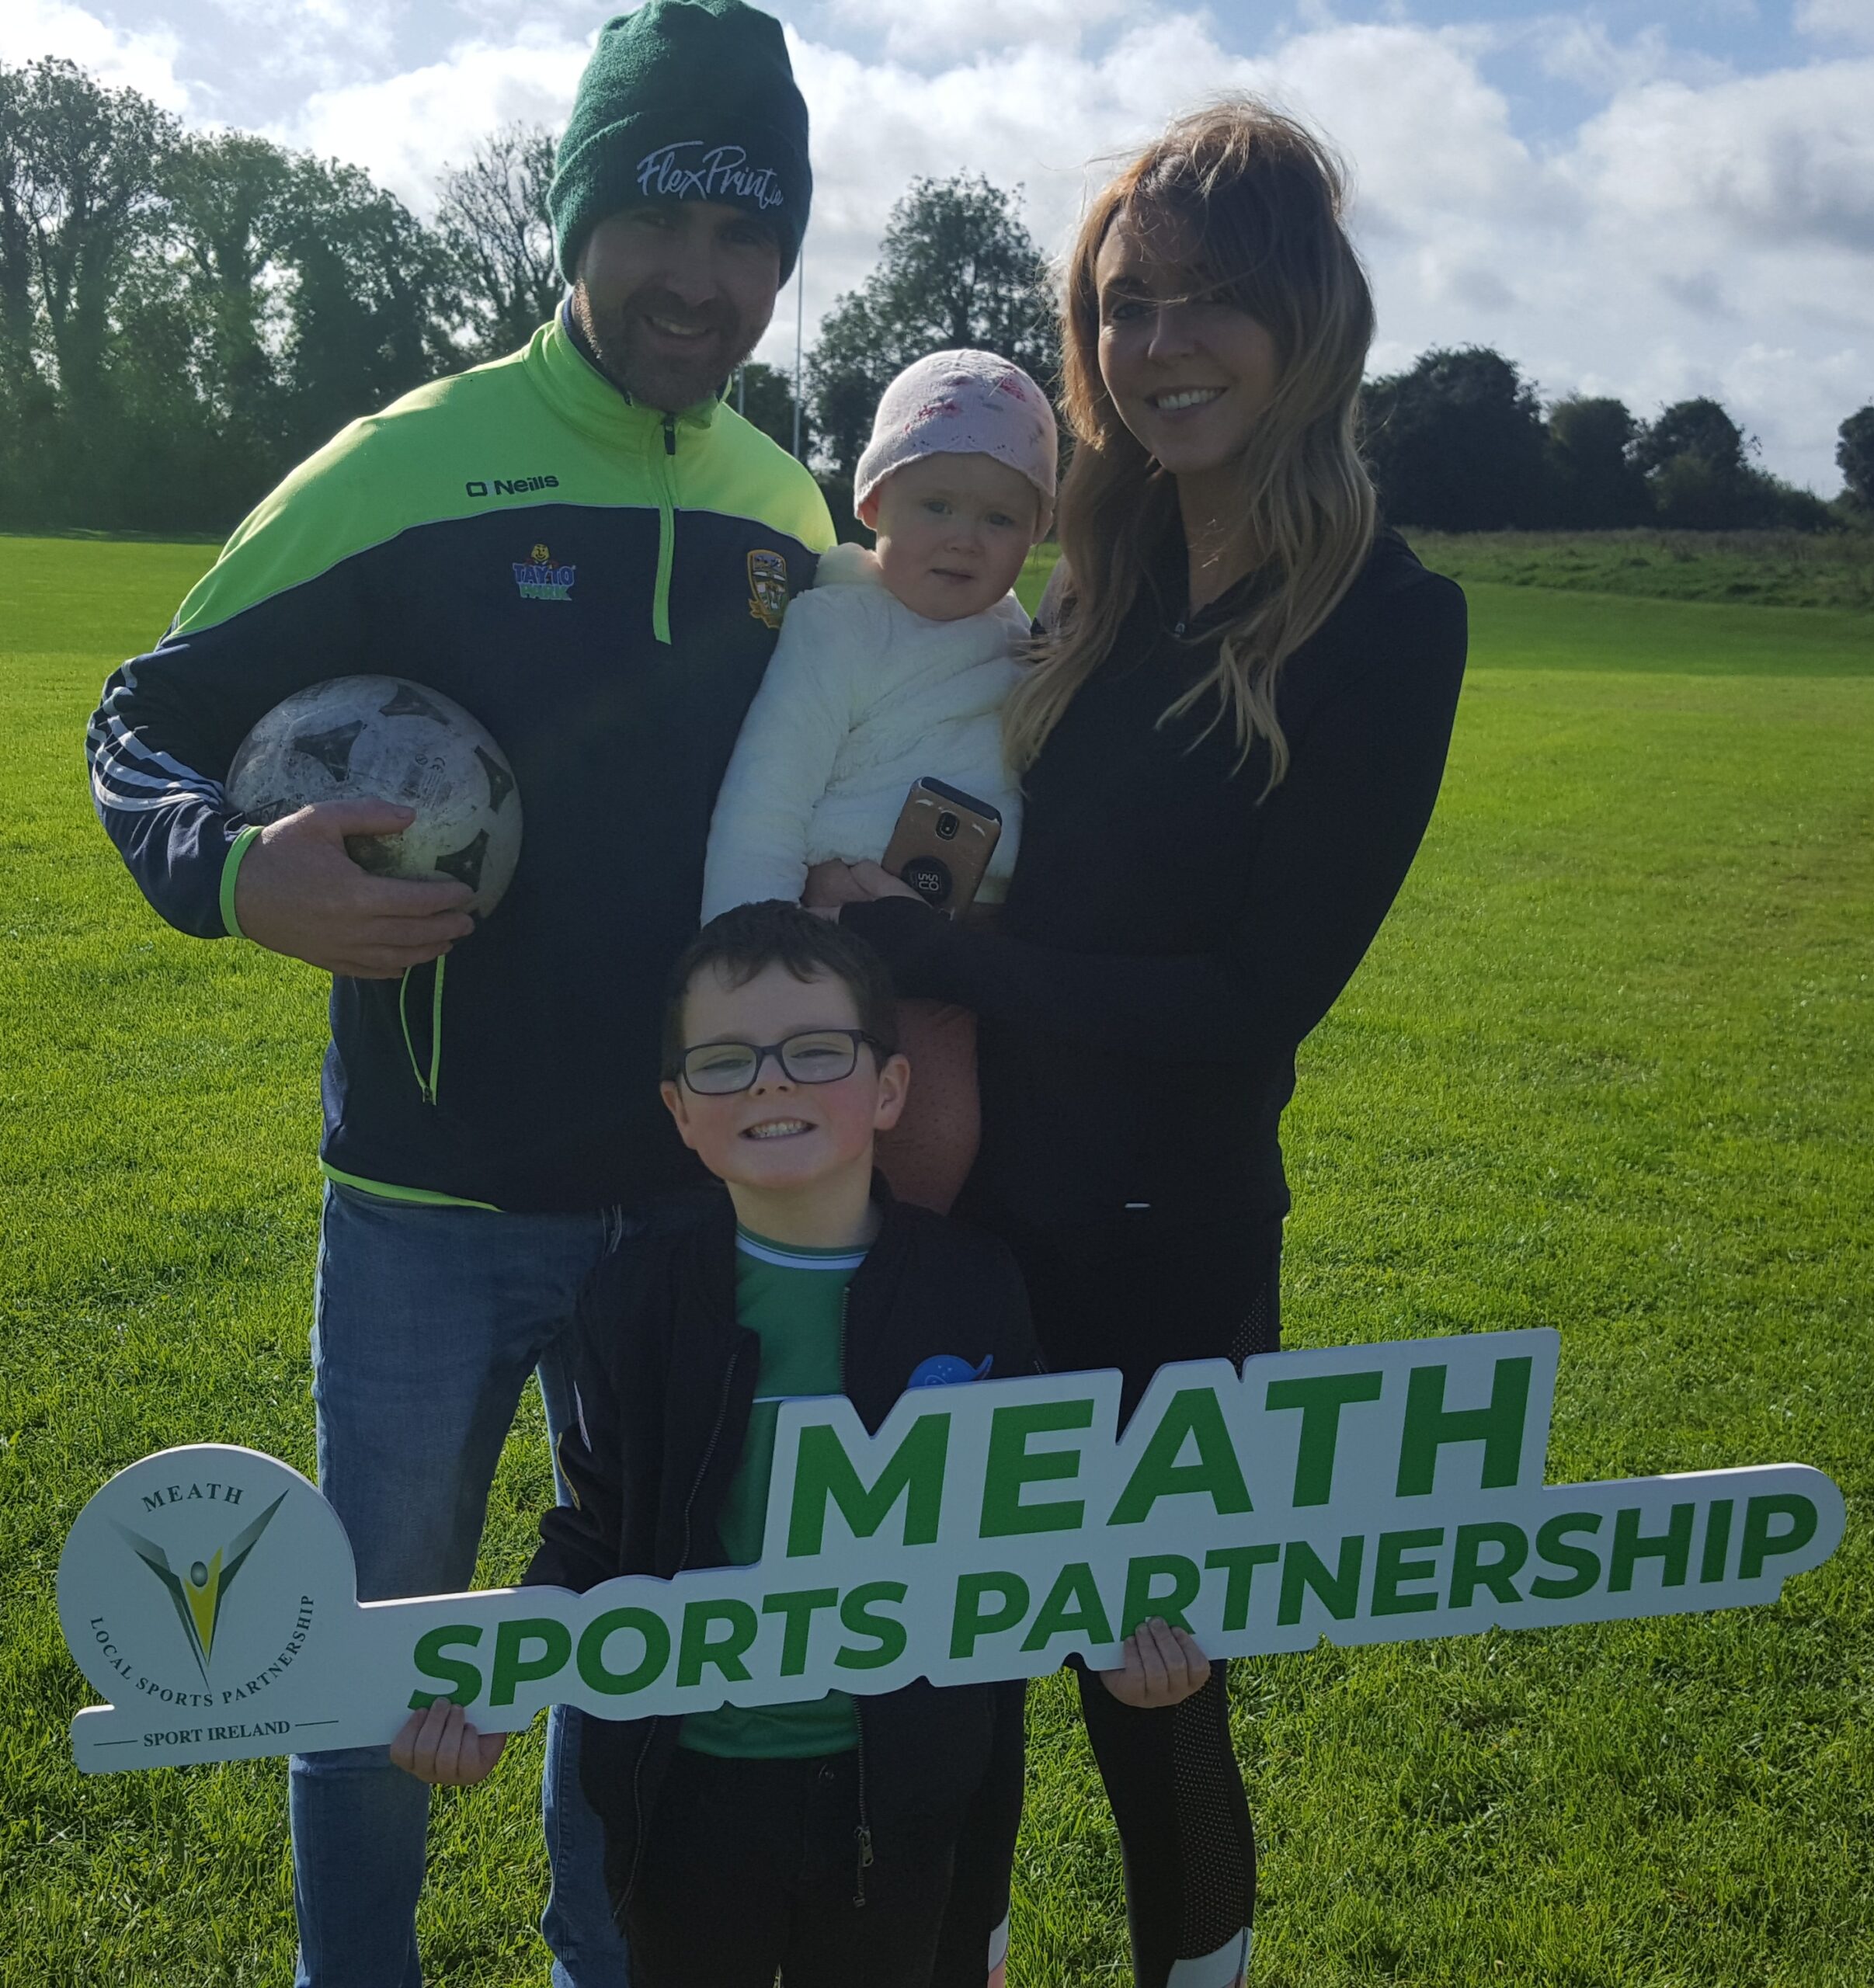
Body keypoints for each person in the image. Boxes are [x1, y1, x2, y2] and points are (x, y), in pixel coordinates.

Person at [82, 5, 829, 1981]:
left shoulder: (789, 510)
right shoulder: (403, 467)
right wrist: (239, 872)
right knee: (373, 1646)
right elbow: (149, 715)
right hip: (425, 1203)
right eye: (659, 219)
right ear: (578, 223)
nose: (702, 278)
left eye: (748, 235)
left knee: (626, 1644)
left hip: (687, 1205)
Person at [817, 102, 1470, 1988]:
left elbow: (1254, 999)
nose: (1160, 345)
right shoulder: (1071, 582)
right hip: (961, 1215)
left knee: (1155, 1683)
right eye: (1124, 307)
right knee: (948, 1678)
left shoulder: (1386, 622)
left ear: (1307, 320)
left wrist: (953, 952)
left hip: (1170, 1244)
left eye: (1208, 302)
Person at [388, 902, 1213, 1987]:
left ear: (888, 1090)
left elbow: (1029, 1524)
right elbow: (594, 1537)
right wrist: (489, 1689)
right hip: (685, 1798)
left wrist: (1116, 1649)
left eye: (813, 1052)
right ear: (680, 1112)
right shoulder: (637, 1302)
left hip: (903, 1794)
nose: (770, 1084)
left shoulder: (970, 1289)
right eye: (726, 1063)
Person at [701, 349, 1059, 1212]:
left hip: (962, 954)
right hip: (834, 945)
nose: (965, 537)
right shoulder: (841, 628)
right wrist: (743, 960)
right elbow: (766, 796)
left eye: (1000, 518)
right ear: (871, 503)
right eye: (935, 504)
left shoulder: (1019, 644)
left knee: (946, 1142)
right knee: (857, 1151)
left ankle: (906, 1293)